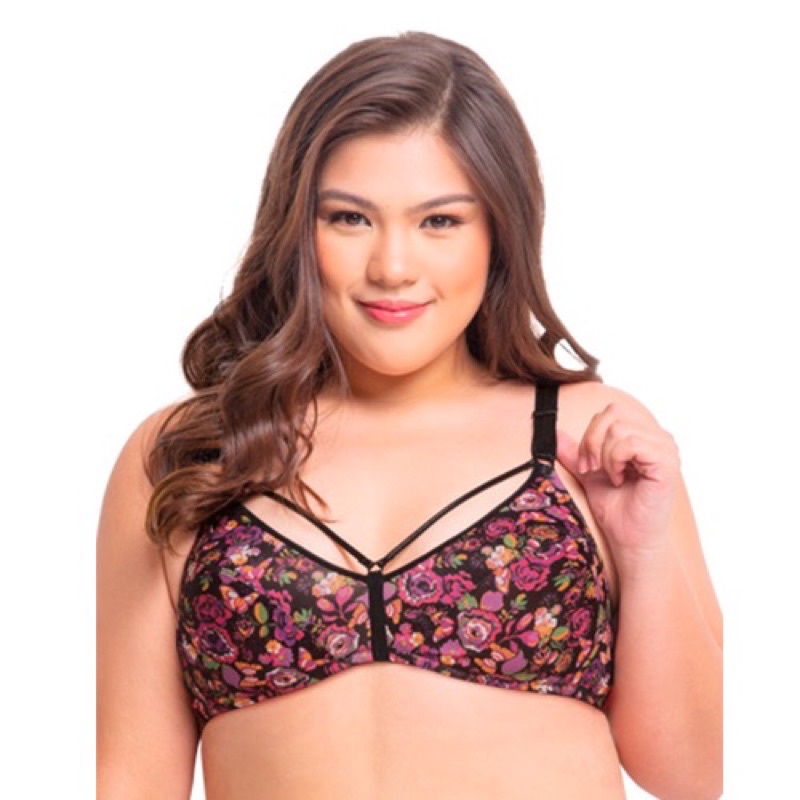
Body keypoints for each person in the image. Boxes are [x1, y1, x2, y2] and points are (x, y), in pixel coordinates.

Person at [96, 31, 722, 800]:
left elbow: (693, 775)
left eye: (440, 222)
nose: (393, 267)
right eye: (350, 218)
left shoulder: (590, 440)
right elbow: (132, 780)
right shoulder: (190, 454)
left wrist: (645, 549)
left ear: (499, 232)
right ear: (297, 228)